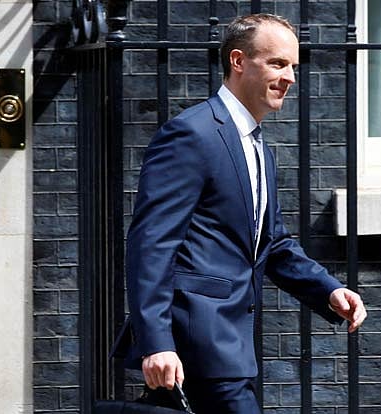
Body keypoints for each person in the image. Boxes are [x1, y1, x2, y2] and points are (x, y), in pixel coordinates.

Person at [124, 13, 367, 414]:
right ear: (238, 61)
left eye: (292, 66)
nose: (290, 77)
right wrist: (156, 343)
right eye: (277, 63)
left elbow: (272, 242)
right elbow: (151, 243)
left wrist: (327, 290)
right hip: (196, 342)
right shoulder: (192, 134)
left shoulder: (258, 148)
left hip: (230, 345)